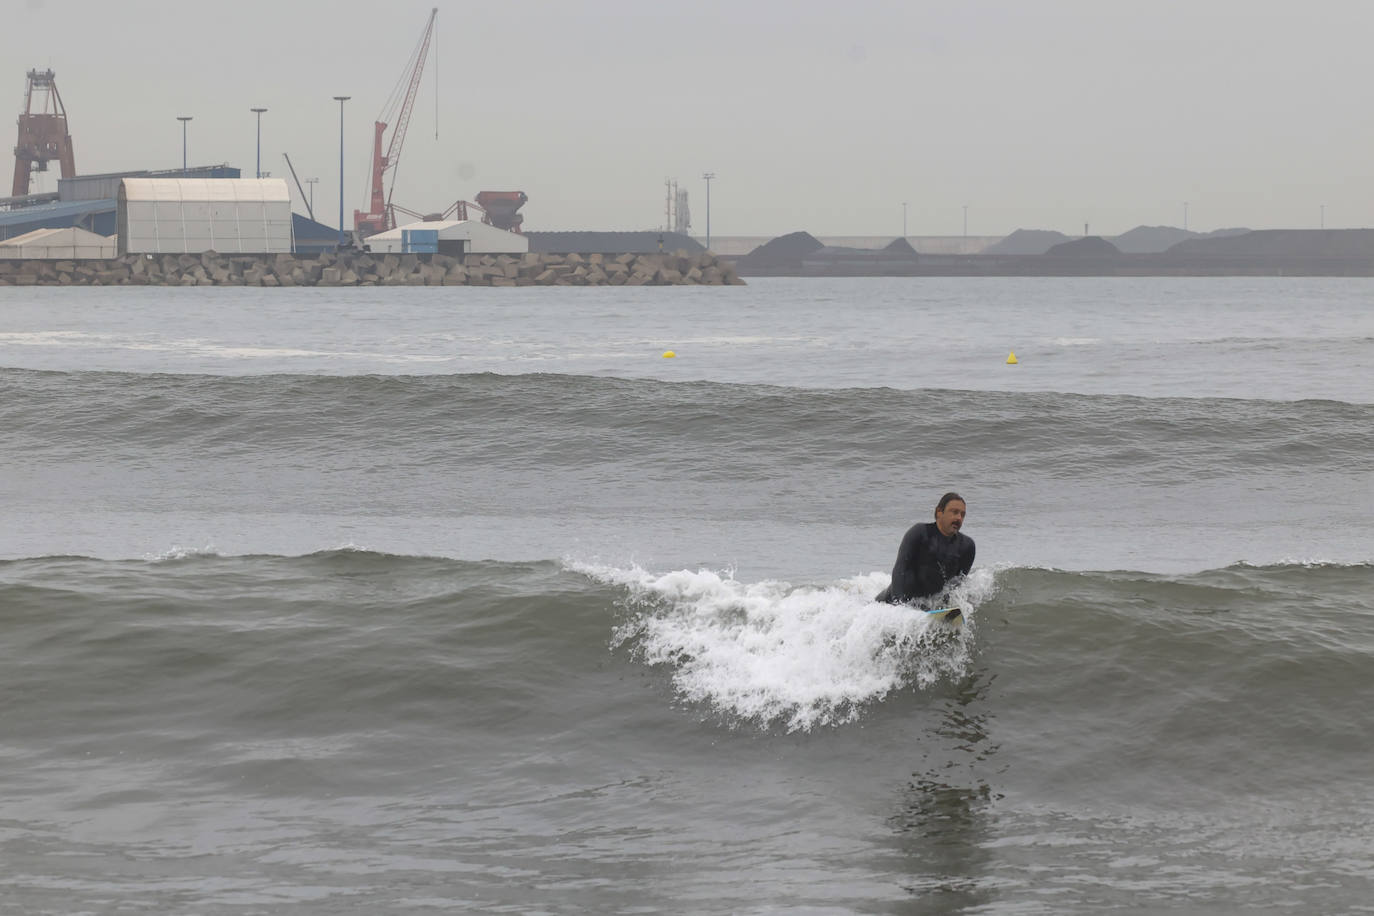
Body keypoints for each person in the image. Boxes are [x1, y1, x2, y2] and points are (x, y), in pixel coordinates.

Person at [876, 492, 975, 606]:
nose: (959, 518)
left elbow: (957, 585)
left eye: (962, 514)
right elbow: (900, 570)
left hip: (924, 605)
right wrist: (899, 606)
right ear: (939, 512)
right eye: (954, 512)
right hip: (887, 604)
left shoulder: (967, 546)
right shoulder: (920, 533)